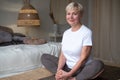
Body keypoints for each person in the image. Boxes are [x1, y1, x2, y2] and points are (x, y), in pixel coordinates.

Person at [41, 2, 104, 80]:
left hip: (81, 69)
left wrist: (69, 74)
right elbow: (63, 55)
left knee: (98, 64)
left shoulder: (86, 32)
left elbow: (83, 58)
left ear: (80, 15)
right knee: (44, 57)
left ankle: (73, 78)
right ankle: (61, 75)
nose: (70, 17)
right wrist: (58, 70)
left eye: (74, 14)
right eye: (68, 13)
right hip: (67, 67)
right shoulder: (66, 33)